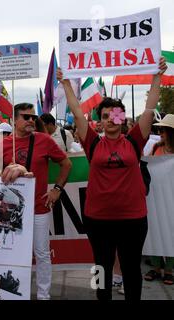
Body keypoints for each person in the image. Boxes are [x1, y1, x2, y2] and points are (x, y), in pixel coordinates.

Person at [56, 57, 167, 300]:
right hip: (98, 219)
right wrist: (65, 84)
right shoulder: (92, 142)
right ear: (100, 119)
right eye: (105, 115)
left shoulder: (135, 141)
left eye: (115, 115)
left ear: (122, 118)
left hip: (133, 219)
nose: (110, 119)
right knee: (101, 267)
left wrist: (156, 77)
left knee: (130, 269)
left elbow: (149, 108)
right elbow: (76, 110)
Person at [0, 102, 71, 300]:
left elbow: (66, 164)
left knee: (42, 253)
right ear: (14, 120)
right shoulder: (2, 144)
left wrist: (57, 189)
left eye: (33, 117)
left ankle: (43, 295)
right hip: (12, 211)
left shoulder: (44, 140)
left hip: (39, 207)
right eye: (26, 116)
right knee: (11, 253)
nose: (31, 120)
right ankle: (12, 293)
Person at [144, 114, 174, 286]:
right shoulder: (155, 147)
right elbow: (147, 167)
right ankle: (156, 267)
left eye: (163, 129)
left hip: (171, 197)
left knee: (171, 231)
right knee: (155, 230)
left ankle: (169, 270)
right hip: (155, 196)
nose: (160, 132)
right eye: (160, 129)